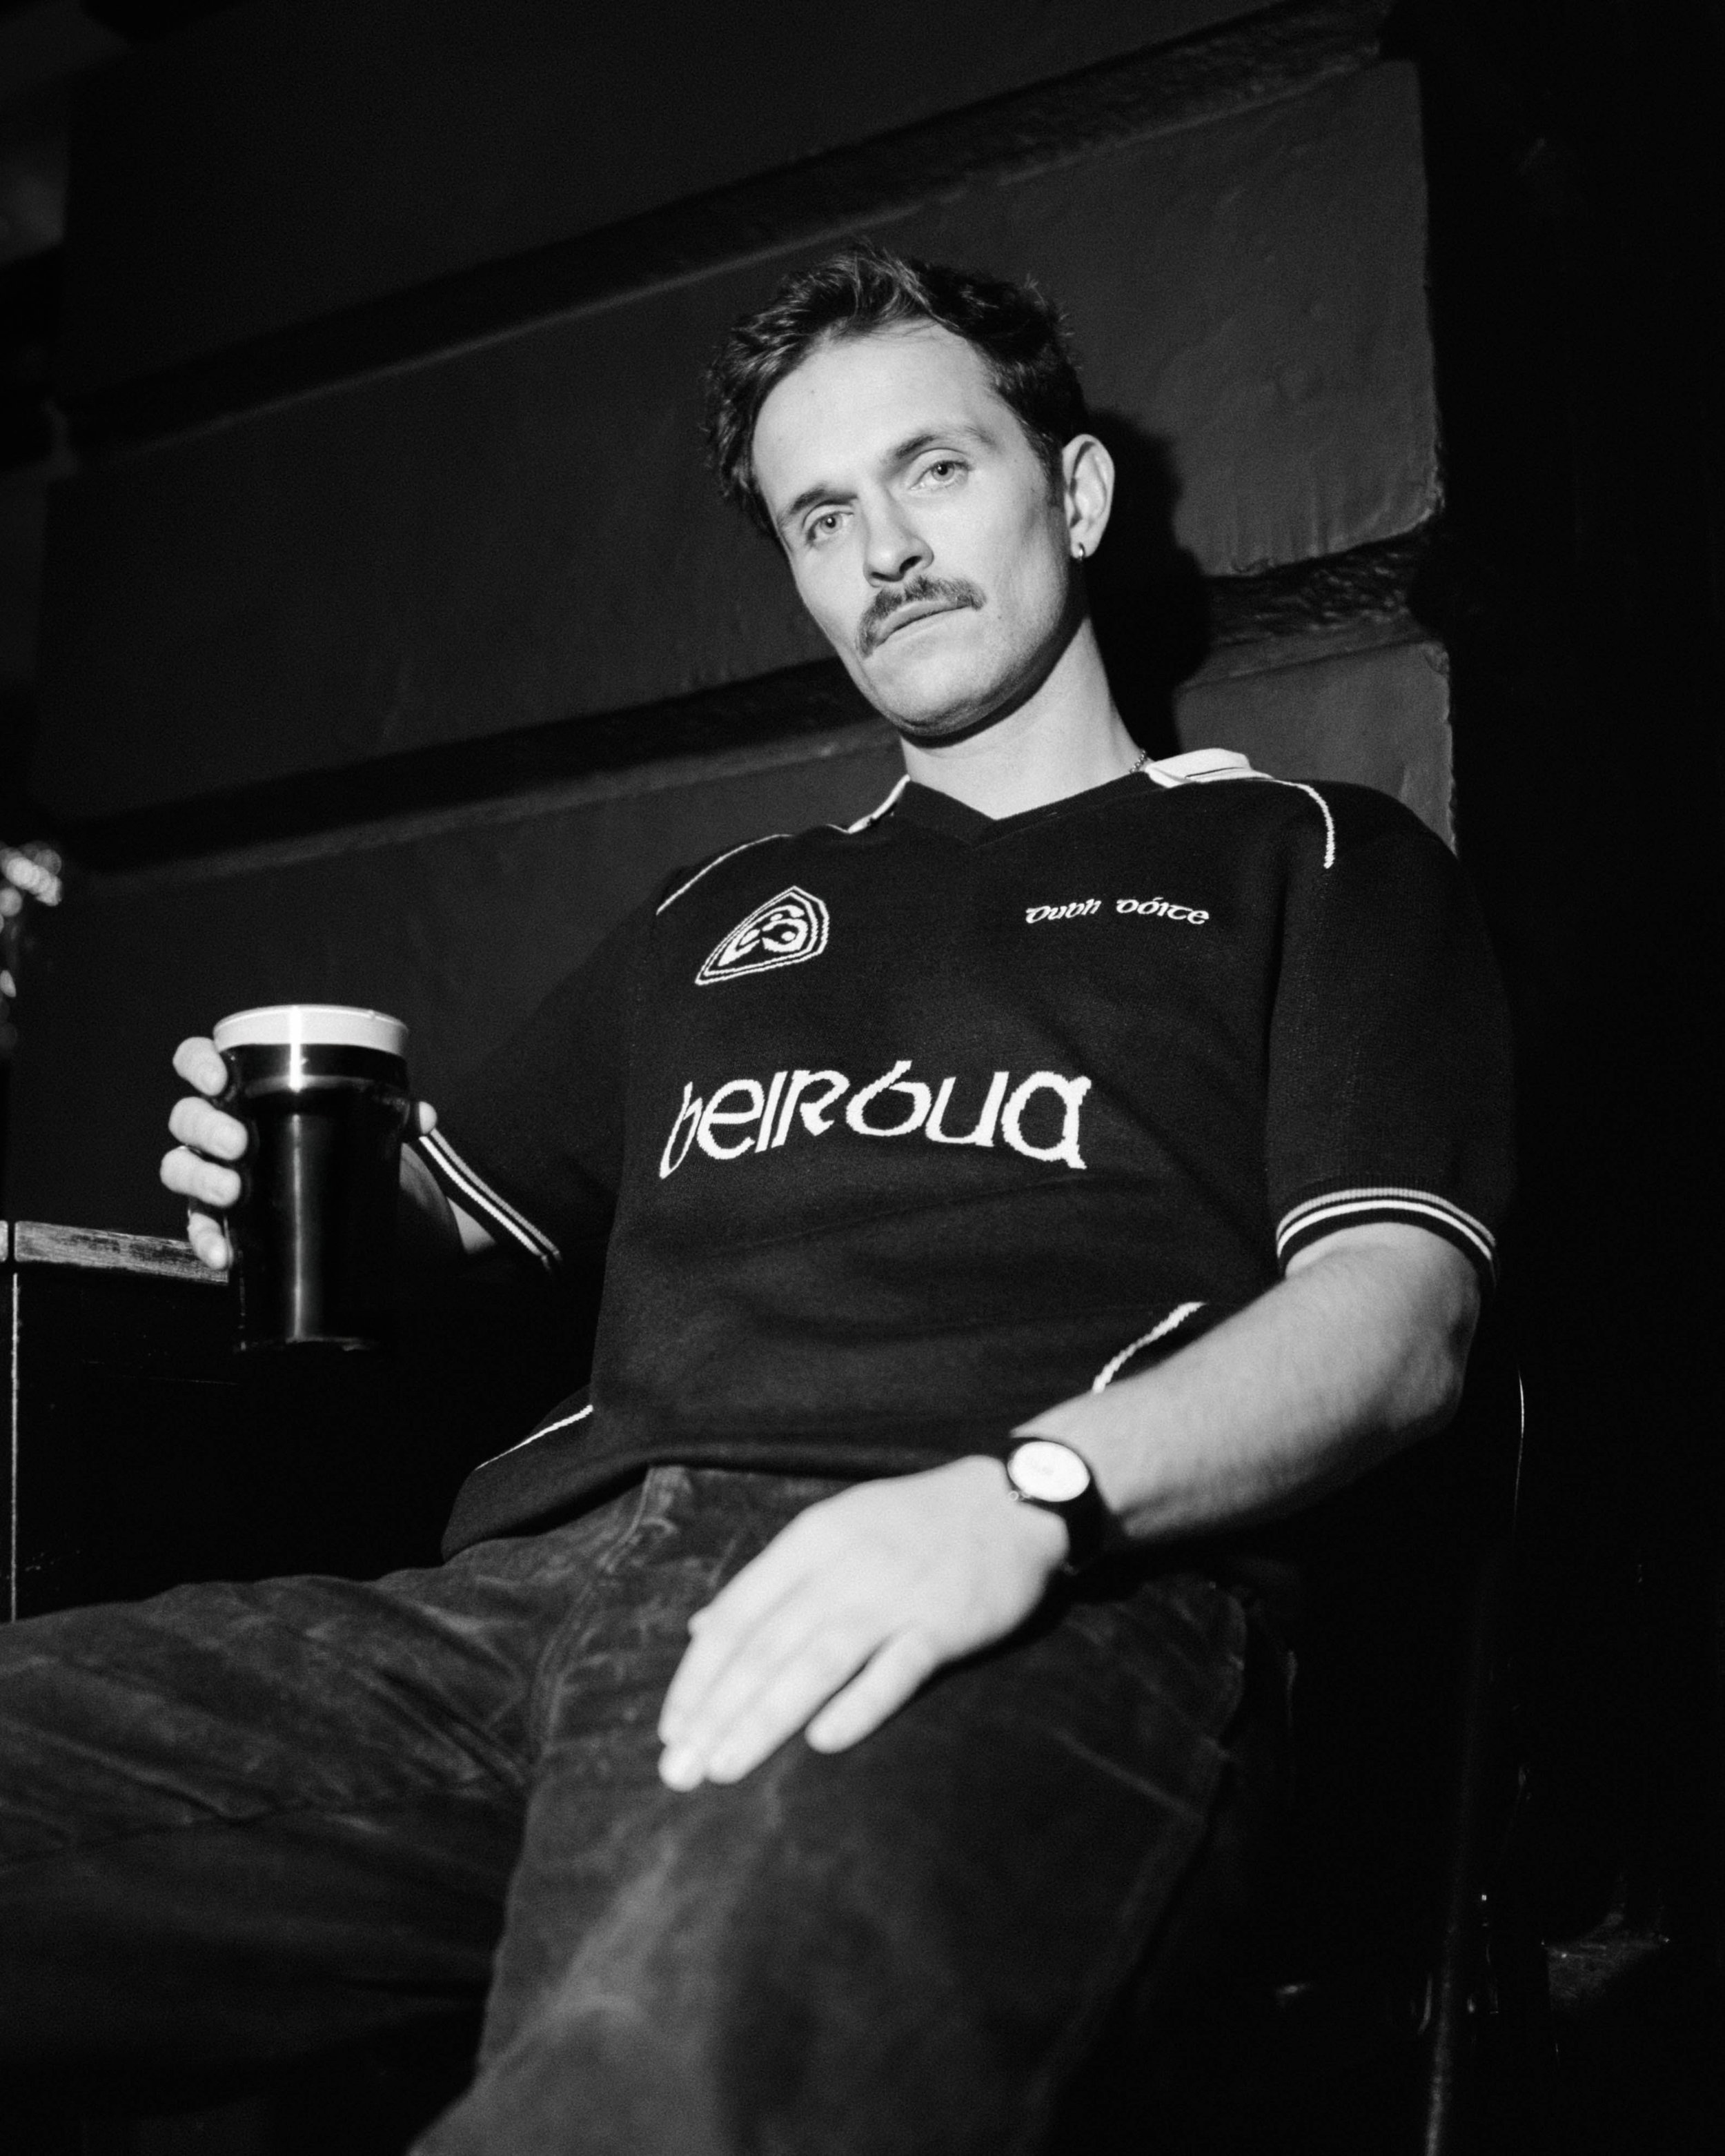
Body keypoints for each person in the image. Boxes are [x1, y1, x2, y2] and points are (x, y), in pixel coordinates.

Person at [0, 244, 1512, 2153]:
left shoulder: (1302, 858)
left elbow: (1396, 1325)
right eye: (819, 516)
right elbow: (444, 1235)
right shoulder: (720, 911)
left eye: (933, 471)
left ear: (1075, 493)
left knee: (649, 2087)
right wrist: (287, 1192)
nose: (880, 547)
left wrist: (1026, 1500)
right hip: (521, 1612)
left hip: (991, 1582)